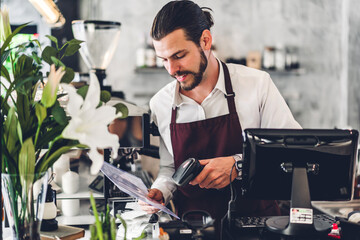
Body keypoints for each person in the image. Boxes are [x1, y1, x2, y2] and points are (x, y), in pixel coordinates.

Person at [139, 0, 301, 230]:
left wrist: (238, 165)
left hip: (256, 226)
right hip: (194, 229)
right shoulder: (161, 103)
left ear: (205, 40)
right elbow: (169, 168)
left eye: (179, 55)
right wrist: (160, 192)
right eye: (164, 60)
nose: (171, 69)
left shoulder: (257, 85)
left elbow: (293, 151)